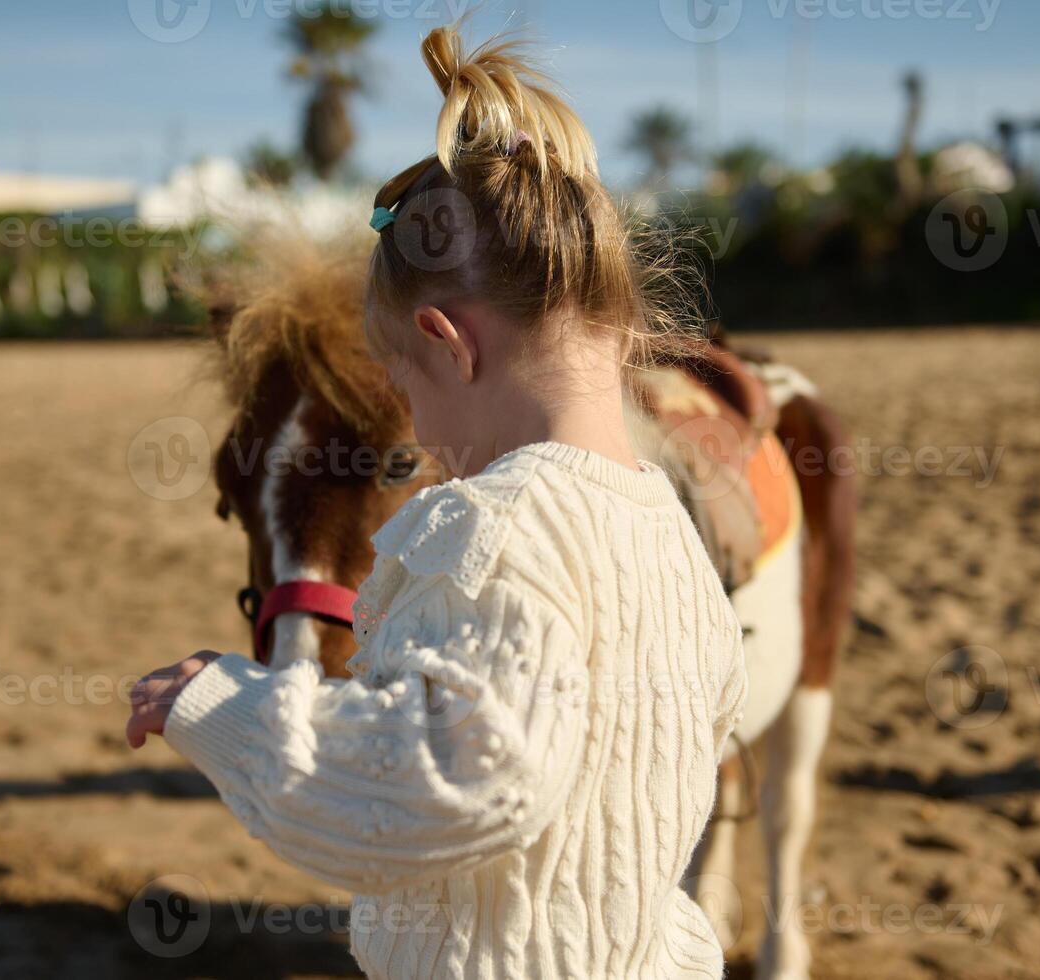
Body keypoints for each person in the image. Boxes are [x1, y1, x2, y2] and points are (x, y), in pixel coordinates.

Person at [126, 24, 747, 979]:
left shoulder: (492, 528)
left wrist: (226, 709)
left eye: (403, 388)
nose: (415, 428)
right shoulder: (668, 527)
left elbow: (443, 786)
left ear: (447, 343)